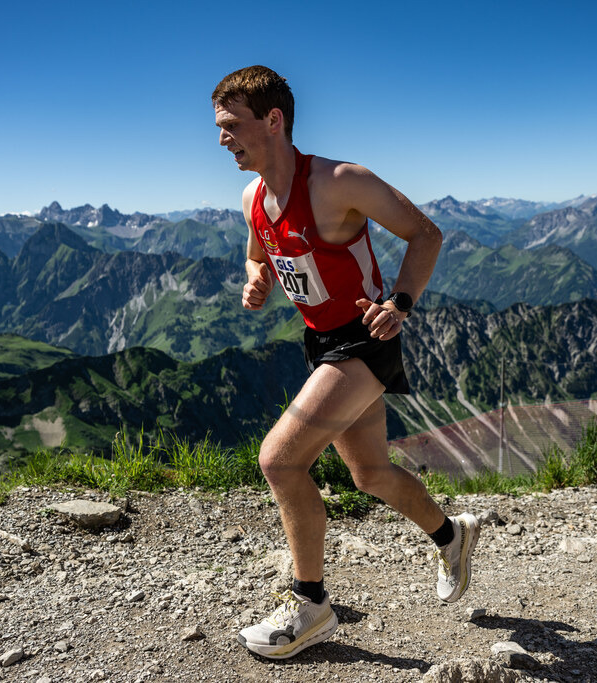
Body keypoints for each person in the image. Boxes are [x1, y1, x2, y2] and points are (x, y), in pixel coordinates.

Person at [212, 65, 479, 660]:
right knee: (371, 475)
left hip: (363, 339)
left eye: (232, 125)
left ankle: (310, 605)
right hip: (320, 343)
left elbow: (426, 234)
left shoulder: (340, 181)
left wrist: (399, 304)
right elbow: (258, 256)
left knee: (279, 461)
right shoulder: (254, 198)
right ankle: (452, 535)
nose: (222, 139)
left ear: (273, 120)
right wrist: (255, 280)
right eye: (219, 128)